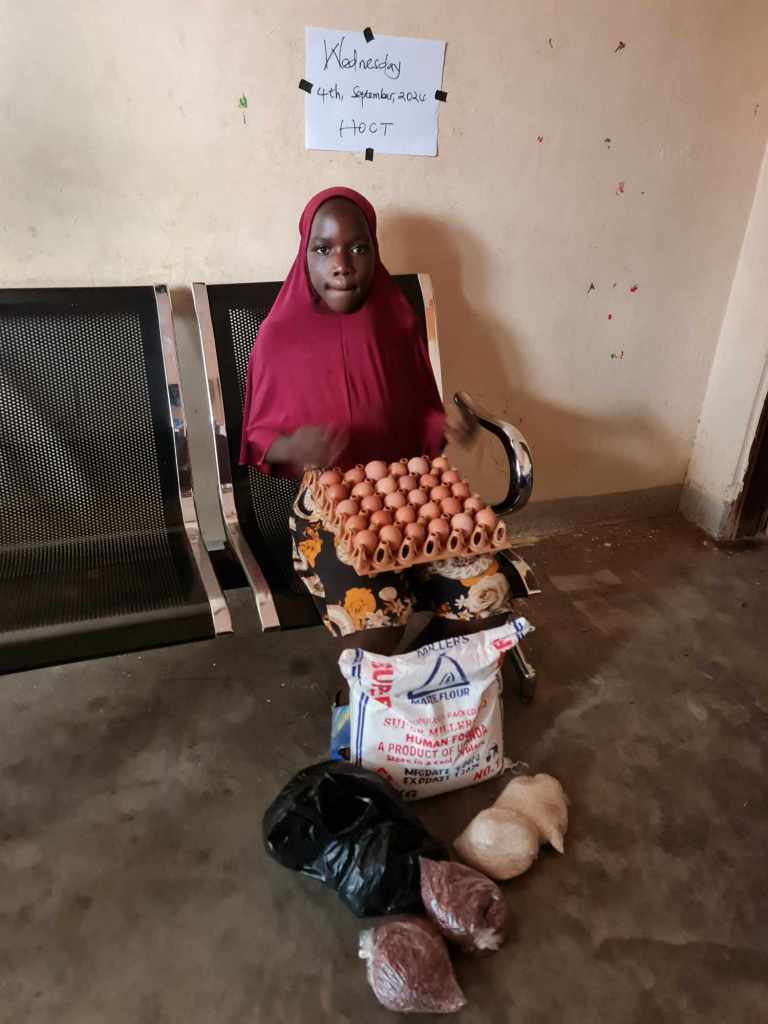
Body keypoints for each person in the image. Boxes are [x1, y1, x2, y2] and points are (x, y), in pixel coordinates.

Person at [240, 186, 516, 658]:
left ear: (375, 252)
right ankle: (369, 692)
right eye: (323, 249)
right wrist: (293, 446)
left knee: (485, 599)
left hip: (411, 492)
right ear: (304, 255)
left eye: (358, 248)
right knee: (374, 626)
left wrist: (444, 427)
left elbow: (418, 413)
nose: (341, 264)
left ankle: (418, 682)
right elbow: (258, 437)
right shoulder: (280, 334)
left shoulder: (396, 320)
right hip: (329, 507)